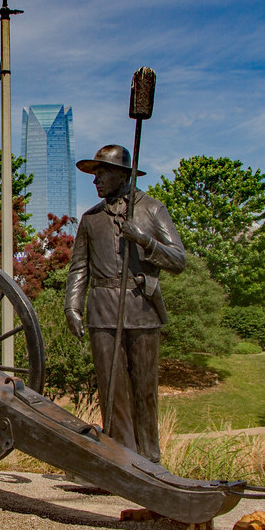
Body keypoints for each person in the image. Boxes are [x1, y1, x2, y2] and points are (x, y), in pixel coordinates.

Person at [64, 144, 185, 463]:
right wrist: (72, 305)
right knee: (111, 389)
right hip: (102, 309)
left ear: (121, 175)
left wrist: (145, 241)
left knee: (144, 389)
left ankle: (150, 460)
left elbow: (178, 260)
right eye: (95, 175)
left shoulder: (152, 210)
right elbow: (79, 266)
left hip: (141, 307)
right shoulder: (90, 219)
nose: (95, 181)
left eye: (101, 174)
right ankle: (118, 458)